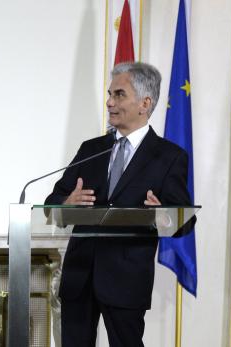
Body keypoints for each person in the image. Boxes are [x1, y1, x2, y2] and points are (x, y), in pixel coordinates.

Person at [45, 62, 191, 346]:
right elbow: (52, 204)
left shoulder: (169, 156)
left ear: (144, 103)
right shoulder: (91, 149)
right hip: (79, 277)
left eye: (119, 95)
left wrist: (163, 214)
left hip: (126, 280)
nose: (110, 102)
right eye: (110, 94)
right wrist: (67, 202)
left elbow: (184, 221)